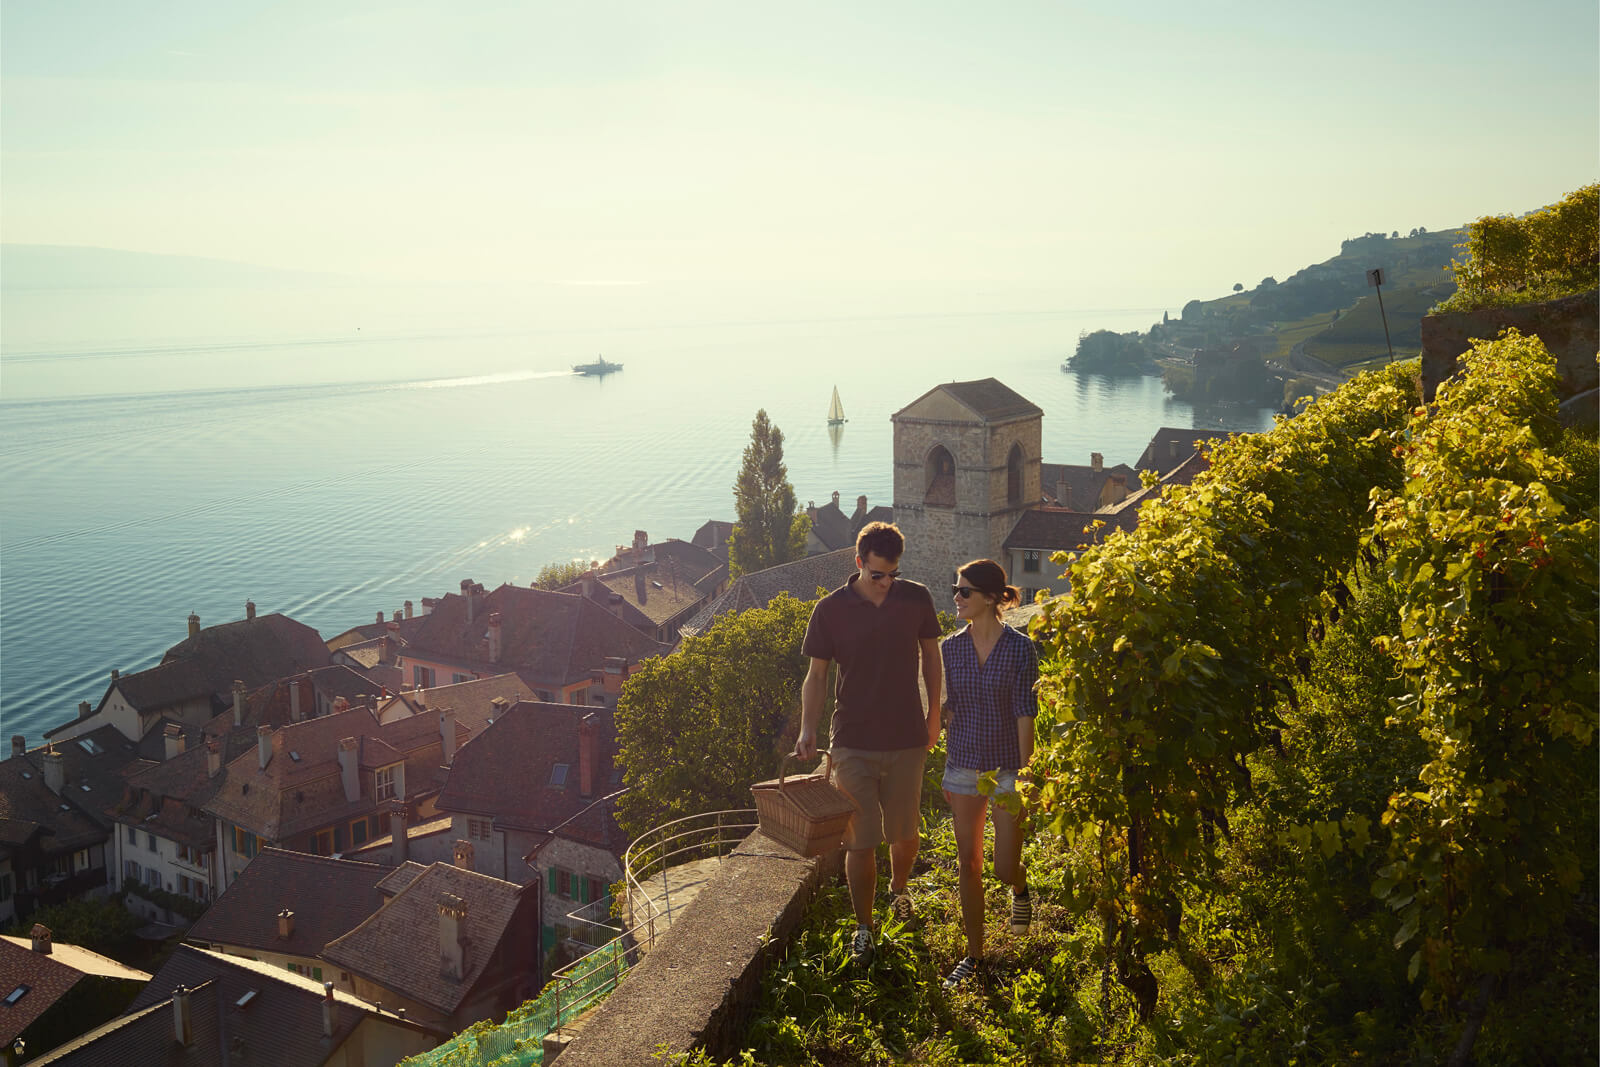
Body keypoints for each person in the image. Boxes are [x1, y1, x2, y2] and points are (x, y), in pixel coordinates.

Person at [796, 521, 942, 967]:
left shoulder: (916, 598)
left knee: (905, 831)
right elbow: (816, 676)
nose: (886, 583)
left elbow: (932, 658)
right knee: (861, 841)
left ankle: (899, 892)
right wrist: (807, 729)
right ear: (859, 563)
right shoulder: (830, 610)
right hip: (852, 740)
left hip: (906, 737)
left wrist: (933, 714)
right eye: (878, 574)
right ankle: (864, 927)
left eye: (893, 574)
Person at [938, 558, 1038, 990]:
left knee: (1001, 866)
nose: (956, 598)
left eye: (964, 592)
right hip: (962, 763)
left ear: (991, 599)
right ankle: (974, 955)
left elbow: (1024, 711)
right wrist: (938, 711)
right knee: (969, 863)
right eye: (955, 590)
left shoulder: (1020, 648)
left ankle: (1019, 889)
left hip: (1005, 768)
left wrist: (1026, 770)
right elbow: (948, 703)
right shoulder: (950, 648)